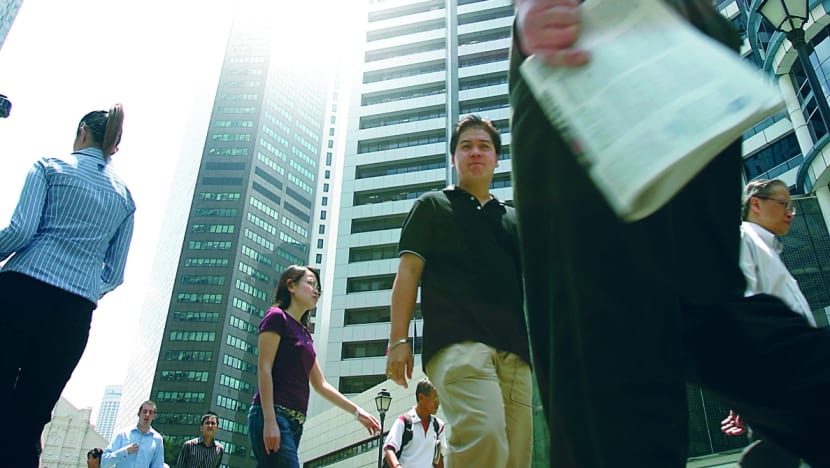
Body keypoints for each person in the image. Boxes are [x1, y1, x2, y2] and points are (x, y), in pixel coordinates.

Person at [386, 115, 532, 468]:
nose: (475, 152)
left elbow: (537, 291)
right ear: (454, 158)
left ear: (497, 158)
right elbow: (407, 272)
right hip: (457, 343)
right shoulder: (433, 206)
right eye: (466, 146)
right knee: (483, 434)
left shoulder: (513, 220)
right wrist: (398, 341)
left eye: (484, 146)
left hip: (515, 353)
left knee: (515, 456)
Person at [0, 104, 135, 468]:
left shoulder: (50, 167)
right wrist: (84, 285)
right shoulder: (125, 198)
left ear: (81, 133)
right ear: (114, 147)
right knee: (30, 420)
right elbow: (115, 275)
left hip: (20, 291)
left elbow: (20, 232)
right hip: (74, 313)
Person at [718, 179, 812, 467]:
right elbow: (742, 312)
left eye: (792, 206)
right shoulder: (744, 239)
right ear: (756, 204)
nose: (790, 212)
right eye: (784, 203)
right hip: (781, 379)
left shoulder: (768, 248)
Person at [248, 265, 381, 468]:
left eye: (319, 287)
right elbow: (264, 369)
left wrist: (358, 412)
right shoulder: (277, 317)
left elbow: (320, 384)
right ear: (291, 285)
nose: (316, 291)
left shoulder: (304, 333)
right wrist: (269, 420)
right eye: (311, 284)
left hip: (295, 423)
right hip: (274, 414)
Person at [383, 379, 446, 468]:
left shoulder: (438, 426)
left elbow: (438, 458)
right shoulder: (404, 422)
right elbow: (389, 449)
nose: (438, 402)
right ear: (421, 397)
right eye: (434, 397)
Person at [102, 401, 165, 468]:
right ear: (138, 414)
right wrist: (125, 451)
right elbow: (104, 461)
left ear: (154, 416)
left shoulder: (158, 440)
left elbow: (158, 466)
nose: (147, 414)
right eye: (144, 411)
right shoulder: (123, 434)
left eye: (150, 412)